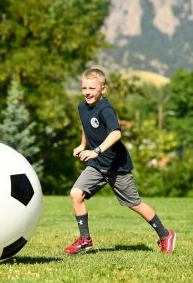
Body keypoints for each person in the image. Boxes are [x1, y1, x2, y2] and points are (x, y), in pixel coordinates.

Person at [64, 68, 176, 255]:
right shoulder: (82, 107)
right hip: (97, 165)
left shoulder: (106, 109)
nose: (87, 92)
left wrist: (96, 151)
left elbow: (116, 133)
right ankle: (85, 239)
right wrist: (82, 145)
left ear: (103, 89)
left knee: (134, 203)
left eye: (92, 88)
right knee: (76, 194)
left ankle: (165, 235)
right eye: (84, 88)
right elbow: (85, 126)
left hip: (116, 166)